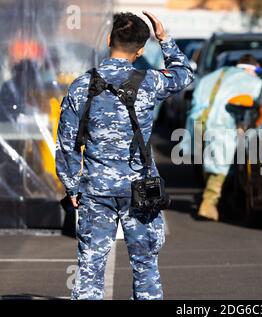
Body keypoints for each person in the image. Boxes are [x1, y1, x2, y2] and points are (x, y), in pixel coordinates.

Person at [55, 11, 193, 300]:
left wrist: (71, 186)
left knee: (90, 266)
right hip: (140, 189)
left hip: (95, 189)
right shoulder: (151, 81)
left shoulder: (82, 85)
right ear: (141, 49)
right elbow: (184, 75)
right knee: (145, 265)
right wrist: (164, 39)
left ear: (108, 40)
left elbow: (67, 142)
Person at [196, 54, 262, 221]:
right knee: (221, 167)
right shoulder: (252, 82)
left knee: (212, 166)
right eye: (258, 70)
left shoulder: (212, 77)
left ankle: (216, 202)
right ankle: (209, 204)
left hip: (201, 126)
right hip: (225, 128)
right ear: (251, 68)